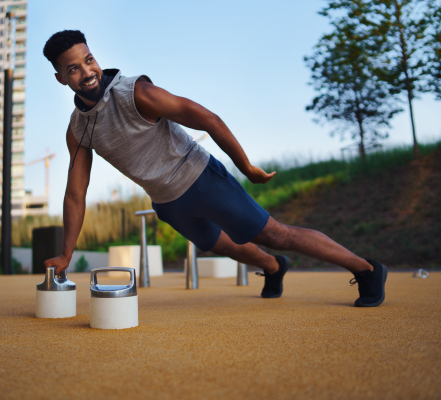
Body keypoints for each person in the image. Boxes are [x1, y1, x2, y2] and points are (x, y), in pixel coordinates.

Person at [42, 30, 387, 307]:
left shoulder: (136, 93)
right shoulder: (79, 129)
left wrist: (246, 167)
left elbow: (207, 119)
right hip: (166, 201)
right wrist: (66, 253)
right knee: (219, 245)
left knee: (275, 234)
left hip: (201, 178)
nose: (87, 72)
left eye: (89, 60)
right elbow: (75, 192)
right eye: (74, 68)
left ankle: (368, 269)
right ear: (61, 78)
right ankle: (272, 266)